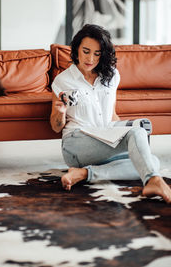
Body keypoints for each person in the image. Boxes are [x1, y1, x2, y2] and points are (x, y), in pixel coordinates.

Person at [50, 24, 171, 203]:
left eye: (97, 54)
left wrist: (126, 138)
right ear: (76, 51)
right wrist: (60, 112)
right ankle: (154, 180)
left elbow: (111, 115)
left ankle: (85, 173)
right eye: (86, 51)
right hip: (76, 144)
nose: (90, 58)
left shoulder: (112, 75)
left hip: (104, 137)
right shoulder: (63, 80)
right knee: (139, 140)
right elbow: (55, 127)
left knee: (151, 160)